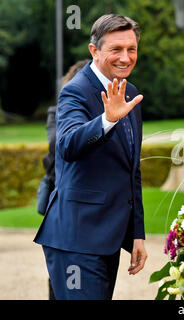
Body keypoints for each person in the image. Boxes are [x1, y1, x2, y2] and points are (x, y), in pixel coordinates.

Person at [34, 14, 147, 300]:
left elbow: (131, 170)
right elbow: (69, 145)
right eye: (116, 49)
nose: (125, 57)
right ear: (94, 51)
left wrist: (137, 233)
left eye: (131, 49)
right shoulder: (75, 91)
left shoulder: (129, 92)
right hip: (76, 240)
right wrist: (106, 121)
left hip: (107, 239)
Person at [36, 59, 90, 300]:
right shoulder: (58, 111)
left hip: (90, 202)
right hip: (63, 198)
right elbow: (58, 146)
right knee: (62, 266)